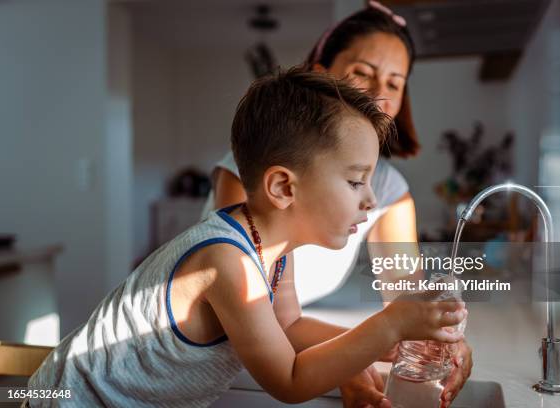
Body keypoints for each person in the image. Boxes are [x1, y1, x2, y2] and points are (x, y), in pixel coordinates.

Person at [25, 69, 466, 408]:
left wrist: (396, 341)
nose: (371, 200)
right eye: (356, 182)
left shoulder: (268, 248)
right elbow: (289, 380)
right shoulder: (226, 261)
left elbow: (288, 327)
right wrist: (387, 324)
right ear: (283, 188)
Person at [202, 2, 472, 407]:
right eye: (362, 73)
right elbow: (278, 320)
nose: (380, 94)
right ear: (320, 73)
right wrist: (366, 348)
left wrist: (439, 338)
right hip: (227, 345)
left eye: (395, 83)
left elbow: (406, 304)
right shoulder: (252, 175)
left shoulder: (390, 190)